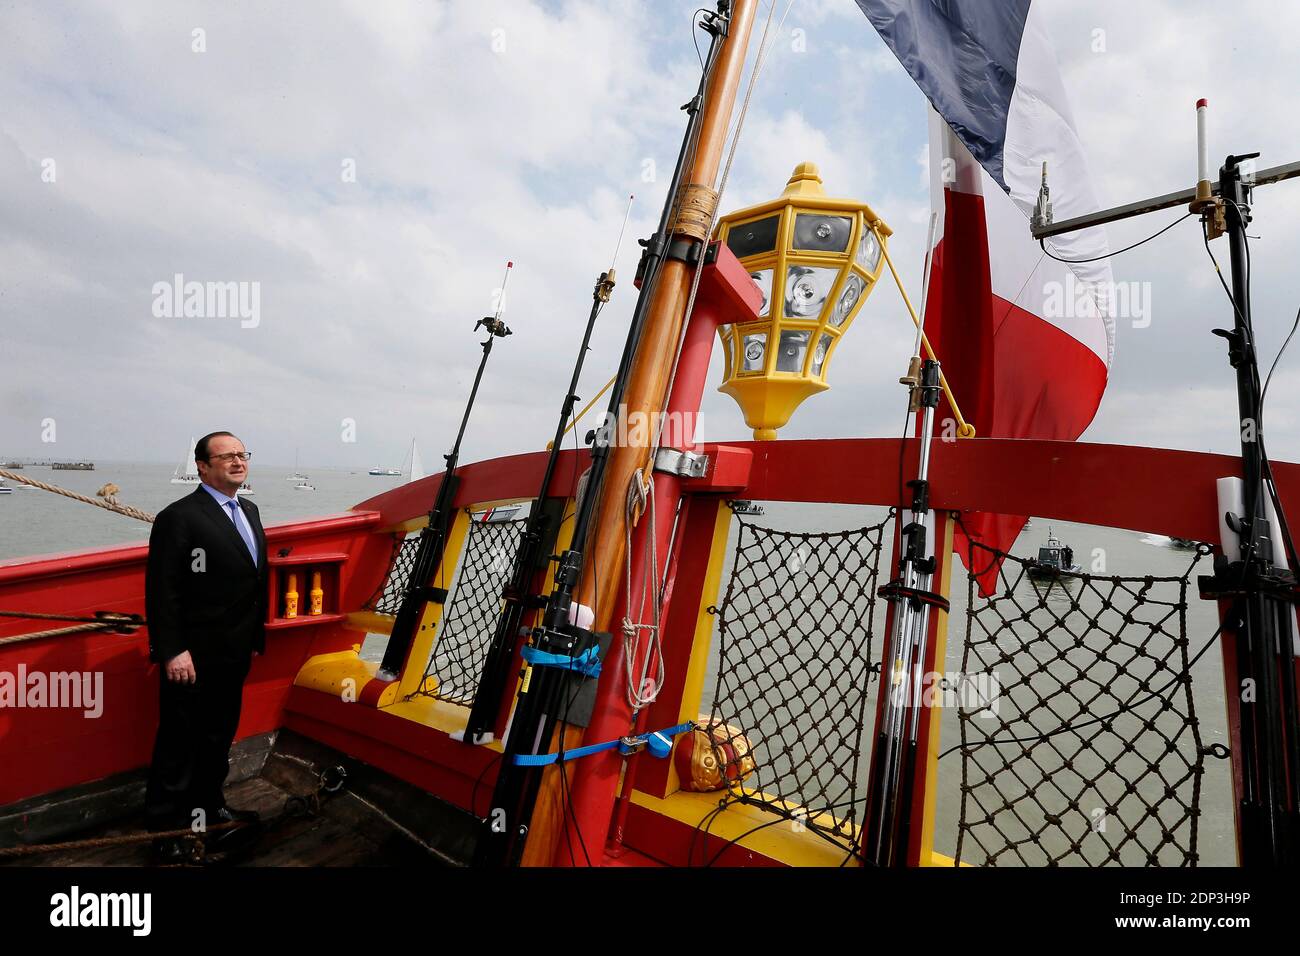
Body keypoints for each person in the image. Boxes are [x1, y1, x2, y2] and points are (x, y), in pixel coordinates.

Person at [144, 431, 267, 861]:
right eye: (227, 456)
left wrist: (253, 638)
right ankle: (164, 830)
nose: (237, 461)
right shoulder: (179, 517)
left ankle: (208, 813)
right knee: (179, 743)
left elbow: (252, 581)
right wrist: (172, 649)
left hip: (233, 653)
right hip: (191, 657)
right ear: (202, 466)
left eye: (242, 454)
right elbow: (164, 590)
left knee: (217, 738)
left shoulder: (248, 510)